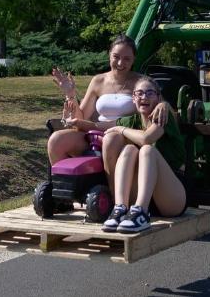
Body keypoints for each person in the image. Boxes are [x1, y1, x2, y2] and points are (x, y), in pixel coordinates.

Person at [48, 34, 168, 196]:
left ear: (133, 59)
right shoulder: (98, 81)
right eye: (116, 57)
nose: (120, 63)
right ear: (109, 55)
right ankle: (65, 191)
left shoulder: (141, 82)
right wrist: (70, 94)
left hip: (125, 136)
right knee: (57, 140)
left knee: (111, 139)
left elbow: (160, 103)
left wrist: (163, 104)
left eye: (127, 59)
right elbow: (81, 118)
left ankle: (114, 196)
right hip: (96, 135)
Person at [101, 76, 187, 233]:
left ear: (158, 97)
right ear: (133, 98)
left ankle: (141, 212)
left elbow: (147, 138)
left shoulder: (162, 115)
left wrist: (121, 129)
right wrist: (75, 120)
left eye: (149, 93)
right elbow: (100, 126)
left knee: (147, 150)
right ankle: (120, 208)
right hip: (143, 195)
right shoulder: (132, 120)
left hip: (171, 197)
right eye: (139, 93)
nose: (144, 97)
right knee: (129, 150)